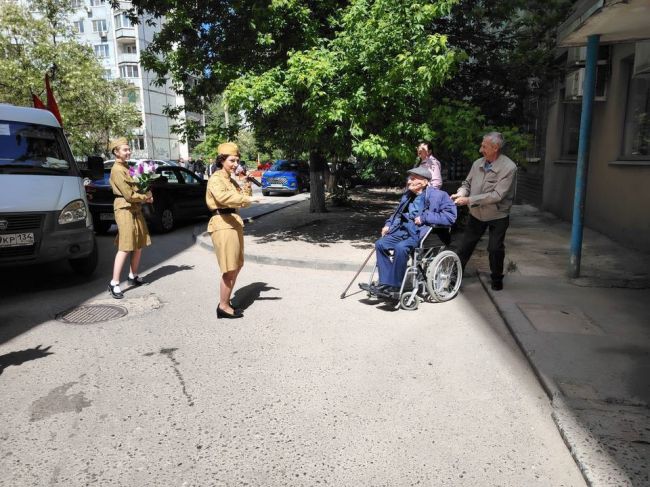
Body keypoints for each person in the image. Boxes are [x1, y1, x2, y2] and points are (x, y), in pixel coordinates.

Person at [361, 166, 457, 296]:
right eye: (409, 179)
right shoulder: (408, 195)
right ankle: (386, 282)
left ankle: (394, 286)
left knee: (401, 248)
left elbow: (450, 217)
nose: (408, 182)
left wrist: (424, 217)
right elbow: (397, 214)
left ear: (424, 182)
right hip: (404, 229)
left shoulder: (439, 195)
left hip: (422, 232)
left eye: (413, 179)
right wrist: (388, 225)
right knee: (380, 244)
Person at [451, 131, 517, 291]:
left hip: (497, 214)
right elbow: (467, 183)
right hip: (477, 214)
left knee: (495, 248)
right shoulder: (478, 163)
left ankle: (496, 278)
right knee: (466, 245)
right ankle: (454, 276)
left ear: (495, 148)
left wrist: (468, 200)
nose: (481, 149)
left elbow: (497, 195)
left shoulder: (509, 167)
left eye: (484, 146)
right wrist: (461, 192)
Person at [206, 142, 259, 319]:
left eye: (237, 160)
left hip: (233, 222)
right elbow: (224, 197)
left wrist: (245, 182)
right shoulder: (216, 179)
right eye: (232, 160)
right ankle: (222, 306)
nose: (236, 164)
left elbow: (243, 199)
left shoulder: (230, 179)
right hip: (222, 223)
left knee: (237, 265)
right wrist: (246, 198)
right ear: (222, 160)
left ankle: (226, 301)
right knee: (229, 269)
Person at [107, 137, 153, 299]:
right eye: (125, 150)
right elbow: (128, 194)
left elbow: (137, 186)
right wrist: (144, 198)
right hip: (125, 208)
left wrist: (147, 192)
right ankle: (114, 283)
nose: (128, 152)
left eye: (128, 149)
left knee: (138, 243)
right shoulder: (117, 170)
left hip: (135, 207)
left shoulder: (127, 167)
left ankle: (133, 276)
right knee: (126, 246)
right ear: (116, 152)